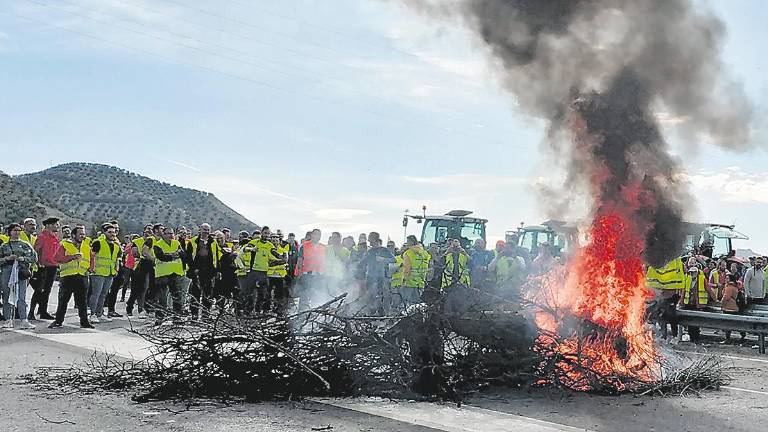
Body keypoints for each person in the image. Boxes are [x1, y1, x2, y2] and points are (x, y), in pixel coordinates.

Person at [49, 225, 94, 329]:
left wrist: (90, 269)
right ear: (74, 235)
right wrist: (72, 257)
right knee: (63, 300)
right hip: (68, 276)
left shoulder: (86, 246)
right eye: (80, 234)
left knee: (82, 301)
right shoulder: (64, 244)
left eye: (83, 234)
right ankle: (58, 321)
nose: (83, 236)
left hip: (82, 276)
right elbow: (57, 258)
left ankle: (84, 321)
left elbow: (91, 258)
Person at [0, 223, 38, 329]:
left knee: (21, 297)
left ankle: (24, 319)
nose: (17, 232)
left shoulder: (25, 244)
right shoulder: (4, 246)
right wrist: (7, 259)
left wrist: (23, 259)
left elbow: (34, 258)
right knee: (7, 296)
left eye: (18, 230)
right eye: (14, 230)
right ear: (10, 232)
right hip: (7, 274)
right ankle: (8, 319)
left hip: (21, 273)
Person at [239, 226, 283, 314]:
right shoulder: (255, 242)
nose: (266, 235)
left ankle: (258, 311)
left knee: (263, 294)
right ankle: (247, 311)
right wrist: (251, 249)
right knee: (249, 293)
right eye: (265, 233)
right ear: (262, 233)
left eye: (268, 233)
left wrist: (281, 258)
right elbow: (245, 249)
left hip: (264, 272)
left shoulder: (270, 245)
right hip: (253, 271)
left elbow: (274, 253)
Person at [28, 217, 61, 320]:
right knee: (39, 290)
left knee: (47, 291)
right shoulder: (42, 237)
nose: (57, 226)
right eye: (55, 224)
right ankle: (31, 312)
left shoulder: (55, 237)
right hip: (44, 267)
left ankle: (43, 311)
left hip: (53, 266)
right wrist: (38, 263)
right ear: (48, 225)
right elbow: (36, 251)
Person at [646, 256, 685, 342]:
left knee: (670, 316)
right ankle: (663, 336)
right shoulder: (657, 257)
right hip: (660, 294)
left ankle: (674, 336)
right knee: (660, 316)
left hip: (670, 295)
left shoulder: (676, 261)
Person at [152, 227, 186, 324]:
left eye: (172, 233)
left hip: (175, 273)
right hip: (162, 274)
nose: (171, 235)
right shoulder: (158, 245)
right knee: (162, 297)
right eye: (168, 233)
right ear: (163, 234)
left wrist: (170, 255)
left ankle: (177, 317)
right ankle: (160, 317)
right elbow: (161, 257)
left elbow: (182, 254)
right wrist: (174, 255)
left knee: (177, 296)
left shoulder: (177, 243)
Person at [88, 223, 120, 323]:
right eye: (109, 232)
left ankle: (99, 313)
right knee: (96, 294)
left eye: (113, 232)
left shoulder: (115, 245)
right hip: (98, 272)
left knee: (103, 295)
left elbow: (115, 259)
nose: (112, 234)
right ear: (104, 232)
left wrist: (116, 270)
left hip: (109, 273)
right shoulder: (98, 242)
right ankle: (92, 314)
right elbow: (91, 255)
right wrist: (92, 268)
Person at [186, 223, 220, 319]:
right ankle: (194, 315)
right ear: (200, 230)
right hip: (196, 270)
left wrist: (217, 270)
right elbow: (188, 257)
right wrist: (193, 269)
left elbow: (216, 257)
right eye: (204, 229)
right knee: (195, 293)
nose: (206, 232)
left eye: (208, 230)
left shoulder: (213, 242)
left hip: (209, 271)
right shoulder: (192, 241)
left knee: (208, 293)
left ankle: (205, 314)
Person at [361, 232, 395, 315]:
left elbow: (393, 260)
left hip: (380, 277)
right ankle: (370, 313)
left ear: (374, 239)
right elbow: (364, 263)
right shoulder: (370, 251)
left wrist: (383, 259)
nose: (368, 240)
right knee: (369, 295)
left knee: (379, 296)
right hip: (369, 277)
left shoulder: (383, 250)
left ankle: (381, 314)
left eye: (370, 238)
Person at [126, 224, 155, 318]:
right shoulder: (137, 241)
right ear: (144, 231)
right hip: (138, 267)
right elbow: (134, 253)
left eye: (151, 229)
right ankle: (130, 307)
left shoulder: (154, 241)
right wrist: (143, 256)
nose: (149, 231)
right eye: (148, 229)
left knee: (148, 288)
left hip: (151, 266)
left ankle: (145, 308)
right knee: (136, 289)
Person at [679, 257, 710, 344]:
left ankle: (696, 337)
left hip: (698, 304)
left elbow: (708, 290)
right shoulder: (687, 278)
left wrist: (715, 300)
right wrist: (681, 302)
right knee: (689, 322)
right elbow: (684, 291)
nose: (692, 273)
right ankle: (692, 337)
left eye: (694, 272)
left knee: (696, 322)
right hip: (688, 303)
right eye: (691, 272)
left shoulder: (702, 278)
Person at [294, 229, 326, 310]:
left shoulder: (323, 247)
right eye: (315, 234)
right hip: (306, 275)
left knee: (316, 295)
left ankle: (314, 314)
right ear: (312, 235)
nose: (317, 236)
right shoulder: (304, 246)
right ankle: (301, 314)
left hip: (318, 276)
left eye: (319, 235)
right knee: (304, 296)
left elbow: (326, 261)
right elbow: (300, 260)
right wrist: (300, 274)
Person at [400, 235, 431, 309]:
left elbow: (407, 269)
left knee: (407, 305)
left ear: (410, 242)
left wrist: (403, 281)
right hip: (420, 282)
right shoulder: (425, 253)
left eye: (407, 241)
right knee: (417, 305)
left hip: (409, 283)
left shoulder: (408, 253)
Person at [267, 232, 291, 314]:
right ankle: (266, 309)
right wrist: (280, 262)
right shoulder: (267, 250)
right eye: (272, 240)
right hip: (269, 274)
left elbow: (285, 261)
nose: (274, 241)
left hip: (280, 275)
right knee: (267, 293)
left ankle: (278, 309)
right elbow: (266, 262)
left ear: (279, 241)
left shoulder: (283, 251)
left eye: (276, 240)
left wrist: (273, 263)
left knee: (279, 294)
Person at [720, 274, 746, 344]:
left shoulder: (730, 287)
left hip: (729, 308)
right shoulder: (733, 286)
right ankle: (743, 336)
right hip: (734, 308)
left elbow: (726, 298)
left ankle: (727, 338)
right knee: (736, 324)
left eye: (727, 278)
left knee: (727, 324)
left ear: (730, 280)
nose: (725, 280)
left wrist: (721, 305)